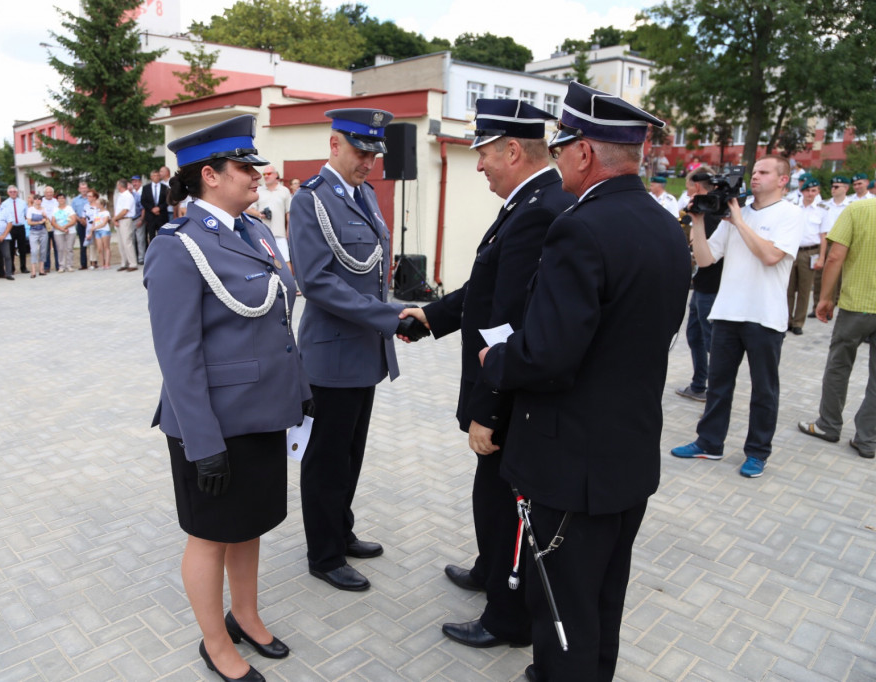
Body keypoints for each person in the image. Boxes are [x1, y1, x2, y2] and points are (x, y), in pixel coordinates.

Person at [478, 82, 689, 682]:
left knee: (563, 614)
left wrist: (497, 363)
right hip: (626, 456)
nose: (558, 154)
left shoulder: (581, 228)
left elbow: (547, 356)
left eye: (563, 142)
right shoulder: (663, 226)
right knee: (601, 601)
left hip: (570, 466)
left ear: (585, 153)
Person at [399, 98, 575, 649]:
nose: (478, 166)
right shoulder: (531, 202)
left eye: (484, 154)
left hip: (507, 391)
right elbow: (487, 289)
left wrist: (488, 411)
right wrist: (432, 317)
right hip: (503, 384)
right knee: (490, 495)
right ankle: (490, 570)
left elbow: (509, 322)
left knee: (501, 501)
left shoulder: (540, 210)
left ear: (514, 151)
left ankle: (507, 616)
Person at [144, 114, 311, 682]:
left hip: (262, 411)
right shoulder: (179, 246)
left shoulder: (257, 231)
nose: (257, 176)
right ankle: (215, 643)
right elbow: (178, 354)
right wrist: (203, 442)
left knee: (250, 523)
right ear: (210, 175)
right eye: (246, 168)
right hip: (213, 422)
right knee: (211, 534)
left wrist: (299, 390)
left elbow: (279, 321)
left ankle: (246, 615)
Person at [289, 107, 427, 592]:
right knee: (326, 460)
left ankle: (340, 530)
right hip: (331, 355)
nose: (368, 162)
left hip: (364, 352)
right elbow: (318, 282)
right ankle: (323, 555)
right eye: (360, 151)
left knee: (351, 454)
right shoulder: (310, 201)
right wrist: (389, 318)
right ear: (335, 144)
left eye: (373, 153)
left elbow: (370, 272)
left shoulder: (365, 195)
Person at [672, 155, 806, 478]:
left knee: (764, 389)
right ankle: (709, 442)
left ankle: (757, 452)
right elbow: (705, 260)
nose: (754, 176)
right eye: (754, 171)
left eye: (763, 172)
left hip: (766, 315)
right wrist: (700, 223)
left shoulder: (791, 214)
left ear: (783, 180)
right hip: (728, 311)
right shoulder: (736, 215)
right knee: (718, 384)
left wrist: (739, 222)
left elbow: (772, 256)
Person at [798, 199, 876, 458]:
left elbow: (835, 256)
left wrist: (825, 297)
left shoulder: (858, 210)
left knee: (839, 365)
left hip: (857, 305)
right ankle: (867, 438)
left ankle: (828, 424)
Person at [676, 166, 724, 402]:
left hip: (713, 287)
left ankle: (716, 389)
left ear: (696, 187)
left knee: (710, 341)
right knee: (695, 335)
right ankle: (699, 384)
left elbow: (704, 251)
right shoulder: (702, 213)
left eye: (689, 189)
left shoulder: (716, 214)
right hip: (702, 286)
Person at [786, 176, 826, 335]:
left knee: (804, 289)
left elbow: (824, 236)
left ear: (818, 192)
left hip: (810, 252)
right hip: (792, 250)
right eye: (807, 190)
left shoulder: (822, 209)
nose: (810, 194)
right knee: (788, 288)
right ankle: (787, 320)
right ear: (802, 191)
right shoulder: (793, 206)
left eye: (814, 190)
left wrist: (822, 257)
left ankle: (798, 322)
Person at [810, 174, 852, 318]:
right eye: (832, 186)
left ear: (846, 188)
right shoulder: (824, 204)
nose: (832, 189)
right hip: (825, 241)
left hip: (843, 243)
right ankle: (817, 306)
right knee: (820, 276)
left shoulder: (851, 206)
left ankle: (833, 306)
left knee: (839, 277)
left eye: (836, 187)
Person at [246, 165, 292, 272]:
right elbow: (248, 209)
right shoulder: (258, 191)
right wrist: (259, 214)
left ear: (276, 175)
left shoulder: (284, 191)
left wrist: (288, 231)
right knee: (263, 261)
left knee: (285, 260)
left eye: (269, 174)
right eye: (264, 174)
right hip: (261, 233)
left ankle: (290, 287)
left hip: (279, 233)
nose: (266, 176)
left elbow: (288, 213)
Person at [113, 178, 138, 271]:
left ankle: (133, 263)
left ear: (120, 186)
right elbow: (118, 209)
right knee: (121, 243)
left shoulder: (128, 196)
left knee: (127, 241)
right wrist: (115, 219)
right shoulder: (120, 195)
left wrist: (115, 218)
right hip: (119, 220)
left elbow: (125, 210)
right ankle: (124, 262)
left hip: (125, 219)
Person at [4, 186, 30, 273]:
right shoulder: (4, 204)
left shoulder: (23, 203)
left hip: (21, 227)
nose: (13, 193)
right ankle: (11, 268)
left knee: (22, 248)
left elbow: (26, 215)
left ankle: (23, 267)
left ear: (17, 192)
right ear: (8, 193)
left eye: (14, 191)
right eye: (11, 192)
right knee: (11, 248)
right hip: (11, 227)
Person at [50, 193, 77, 272]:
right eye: (59, 198)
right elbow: (53, 222)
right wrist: (61, 228)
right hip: (58, 232)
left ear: (65, 199)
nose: (61, 200)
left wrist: (65, 227)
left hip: (70, 231)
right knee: (60, 249)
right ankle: (61, 266)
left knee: (69, 248)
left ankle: (69, 265)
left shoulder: (69, 208)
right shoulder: (55, 209)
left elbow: (73, 220)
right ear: (57, 200)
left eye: (62, 198)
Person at [141, 168, 169, 243]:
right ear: (151, 177)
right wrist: (152, 209)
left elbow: (167, 201)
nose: (156, 177)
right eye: (154, 176)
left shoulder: (164, 187)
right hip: (150, 216)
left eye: (157, 175)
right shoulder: (146, 188)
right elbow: (143, 201)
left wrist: (159, 208)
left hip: (161, 215)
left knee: (163, 236)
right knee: (151, 236)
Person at [26, 195, 49, 277]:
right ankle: (33, 271)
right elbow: (29, 222)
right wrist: (38, 222)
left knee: (43, 250)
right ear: (34, 200)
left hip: (43, 231)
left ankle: (41, 269)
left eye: (39, 199)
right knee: (34, 251)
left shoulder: (43, 209)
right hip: (34, 232)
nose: (38, 200)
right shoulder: (30, 209)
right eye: (36, 199)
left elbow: (47, 220)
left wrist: (45, 216)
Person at [71, 181, 91, 270]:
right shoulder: (75, 200)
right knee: (82, 244)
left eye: (85, 188)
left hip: (91, 223)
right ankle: (83, 264)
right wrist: (81, 220)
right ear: (79, 189)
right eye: (82, 188)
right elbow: (73, 213)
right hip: (80, 223)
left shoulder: (91, 198)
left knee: (93, 244)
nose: (83, 190)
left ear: (87, 189)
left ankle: (94, 262)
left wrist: (87, 220)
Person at [40, 185, 60, 273]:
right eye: (47, 192)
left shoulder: (56, 201)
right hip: (45, 227)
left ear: (53, 193)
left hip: (55, 227)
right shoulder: (41, 202)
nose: (49, 194)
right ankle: (46, 266)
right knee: (46, 248)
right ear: (44, 193)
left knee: (57, 248)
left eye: (50, 192)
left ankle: (58, 265)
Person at [91, 197, 112, 269]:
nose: (96, 205)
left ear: (102, 205)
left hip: (104, 230)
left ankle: (107, 263)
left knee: (106, 246)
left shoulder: (106, 212)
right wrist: (92, 229)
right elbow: (94, 222)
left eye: (97, 204)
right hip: (97, 231)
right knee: (100, 248)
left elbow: (104, 223)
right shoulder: (96, 212)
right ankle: (102, 263)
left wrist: (95, 228)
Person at [129, 175, 145, 264]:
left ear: (140, 182)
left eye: (136, 181)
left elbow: (143, 208)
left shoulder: (138, 195)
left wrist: (142, 219)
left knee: (140, 239)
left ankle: (141, 258)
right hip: (130, 219)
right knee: (132, 239)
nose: (134, 183)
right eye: (133, 182)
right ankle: (134, 257)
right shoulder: (130, 195)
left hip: (138, 218)